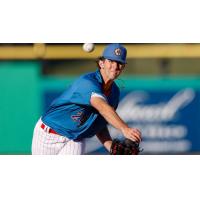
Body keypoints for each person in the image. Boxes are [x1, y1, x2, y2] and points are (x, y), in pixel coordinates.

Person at [32, 43, 142, 155]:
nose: (115, 66)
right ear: (101, 63)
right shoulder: (88, 82)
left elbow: (98, 124)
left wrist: (110, 147)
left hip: (75, 139)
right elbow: (102, 107)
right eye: (111, 61)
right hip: (49, 134)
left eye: (119, 63)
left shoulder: (114, 93)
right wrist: (124, 128)